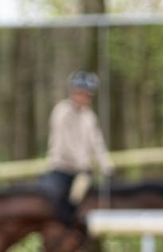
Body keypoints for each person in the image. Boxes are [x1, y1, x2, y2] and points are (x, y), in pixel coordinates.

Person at [46, 70, 114, 222]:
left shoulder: (89, 116)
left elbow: (97, 143)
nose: (83, 97)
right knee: (56, 205)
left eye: (87, 94)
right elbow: (64, 144)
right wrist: (82, 163)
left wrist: (107, 167)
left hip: (82, 172)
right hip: (61, 169)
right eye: (79, 93)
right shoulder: (61, 111)